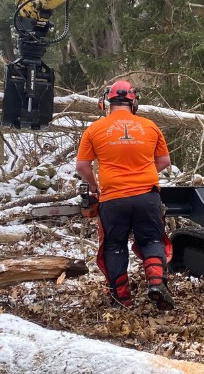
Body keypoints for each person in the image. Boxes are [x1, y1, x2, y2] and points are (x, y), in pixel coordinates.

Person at [75, 79, 175, 310]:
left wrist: (93, 186)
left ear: (106, 103)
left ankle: (122, 300)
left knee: (114, 246)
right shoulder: (150, 126)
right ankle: (157, 283)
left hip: (113, 199)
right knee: (152, 239)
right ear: (134, 102)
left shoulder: (94, 130)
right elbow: (164, 161)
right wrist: (144, 173)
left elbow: (82, 166)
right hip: (147, 196)